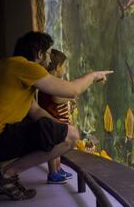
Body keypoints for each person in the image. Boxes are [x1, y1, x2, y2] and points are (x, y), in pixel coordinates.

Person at [0, 31, 113, 200]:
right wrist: (93, 76)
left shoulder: (8, 66)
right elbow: (73, 90)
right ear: (39, 54)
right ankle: (5, 174)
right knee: (71, 136)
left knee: (64, 132)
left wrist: (62, 130)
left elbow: (36, 111)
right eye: (49, 54)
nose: (50, 60)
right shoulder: (27, 67)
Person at [38, 49, 75, 184]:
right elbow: (56, 99)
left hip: (57, 119)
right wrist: (70, 97)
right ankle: (53, 173)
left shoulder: (51, 80)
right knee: (54, 148)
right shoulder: (51, 81)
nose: (65, 69)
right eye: (64, 66)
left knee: (58, 148)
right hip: (53, 120)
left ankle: (58, 169)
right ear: (58, 67)